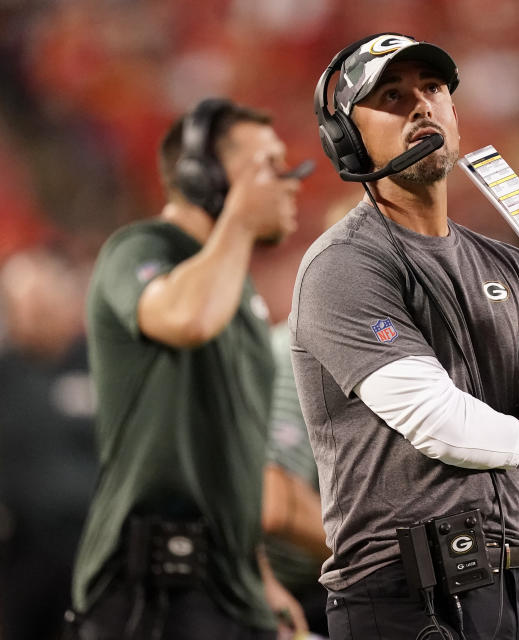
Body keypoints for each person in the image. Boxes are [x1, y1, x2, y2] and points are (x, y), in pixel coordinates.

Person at [290, 33, 519, 639]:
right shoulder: (343, 264)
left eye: (433, 89)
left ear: (455, 115)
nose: (421, 106)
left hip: (514, 586)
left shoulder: (510, 264)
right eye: (391, 95)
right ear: (347, 136)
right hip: (402, 597)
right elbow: (443, 427)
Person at [67, 98, 309, 639]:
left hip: (229, 588)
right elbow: (186, 318)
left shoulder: (236, 290)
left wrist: (257, 574)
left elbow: (234, 457)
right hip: (153, 588)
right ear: (207, 176)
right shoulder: (140, 248)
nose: (291, 180)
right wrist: (242, 219)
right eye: (269, 166)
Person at [0, 248, 97, 640]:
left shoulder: (99, 364)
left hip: (95, 550)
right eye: (27, 303)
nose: (37, 313)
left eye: (46, 301)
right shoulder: (5, 376)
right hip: (24, 555)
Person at [262, 324, 331, 637]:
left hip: (320, 584)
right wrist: (390, 558)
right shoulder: (302, 346)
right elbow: (275, 502)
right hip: (277, 596)